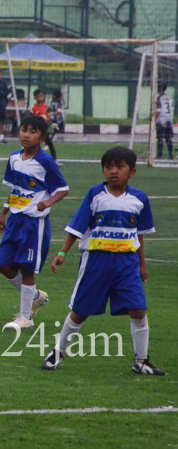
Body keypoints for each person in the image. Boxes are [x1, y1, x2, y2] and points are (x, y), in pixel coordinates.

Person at [42, 147, 165, 376]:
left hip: (127, 263)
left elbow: (139, 234)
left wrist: (142, 263)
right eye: (108, 167)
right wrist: (63, 253)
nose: (113, 171)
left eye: (120, 167)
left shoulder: (139, 199)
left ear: (132, 172)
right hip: (96, 261)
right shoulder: (95, 194)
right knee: (80, 311)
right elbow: (77, 227)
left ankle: (141, 360)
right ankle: (58, 352)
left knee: (138, 309)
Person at [0, 114, 69, 330]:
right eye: (23, 130)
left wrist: (48, 202)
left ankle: (25, 317)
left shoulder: (45, 161)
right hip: (15, 220)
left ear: (42, 137)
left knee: (27, 269)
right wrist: (3, 212)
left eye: (32, 132)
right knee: (2, 264)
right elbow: (15, 188)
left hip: (33, 223)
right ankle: (36, 296)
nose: (26, 135)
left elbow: (63, 188)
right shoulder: (14, 158)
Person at [31, 88, 57, 160]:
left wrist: (50, 125)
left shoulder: (46, 107)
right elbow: (32, 118)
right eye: (38, 96)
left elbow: (48, 117)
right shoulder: (33, 108)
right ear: (35, 98)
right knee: (37, 144)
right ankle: (38, 158)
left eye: (41, 96)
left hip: (45, 128)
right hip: (37, 129)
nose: (40, 98)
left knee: (49, 142)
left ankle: (54, 159)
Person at [155, 82, 173, 160]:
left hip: (161, 119)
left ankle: (159, 154)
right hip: (169, 119)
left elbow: (158, 110)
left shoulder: (159, 98)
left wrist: (154, 119)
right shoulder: (169, 98)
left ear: (160, 89)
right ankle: (170, 154)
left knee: (160, 138)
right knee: (168, 138)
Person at [47, 89, 65, 160]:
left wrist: (52, 113)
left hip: (58, 122)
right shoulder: (52, 102)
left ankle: (48, 143)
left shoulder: (60, 103)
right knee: (48, 133)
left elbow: (59, 111)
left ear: (56, 96)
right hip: (52, 120)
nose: (52, 96)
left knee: (51, 134)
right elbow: (49, 109)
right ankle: (47, 142)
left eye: (53, 95)